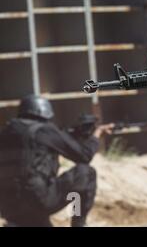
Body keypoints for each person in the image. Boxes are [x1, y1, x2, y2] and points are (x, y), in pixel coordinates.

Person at [0, 95, 113, 227]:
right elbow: (84, 155)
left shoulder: (6, 133)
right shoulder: (44, 130)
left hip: (8, 206)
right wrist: (95, 136)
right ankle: (78, 223)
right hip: (38, 200)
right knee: (86, 173)